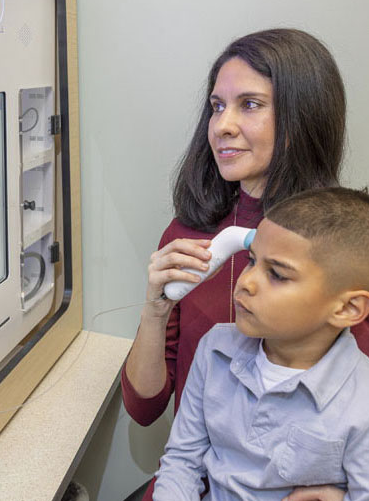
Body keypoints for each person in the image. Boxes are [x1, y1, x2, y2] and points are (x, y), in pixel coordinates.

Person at [121, 29, 369, 501]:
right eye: (217, 106)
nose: (222, 126)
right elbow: (144, 408)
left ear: (301, 118)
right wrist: (155, 312)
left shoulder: (346, 251)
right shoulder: (188, 236)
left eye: (249, 105)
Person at [153, 187, 369, 499]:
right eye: (252, 261)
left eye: (278, 275)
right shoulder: (215, 349)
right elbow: (182, 462)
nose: (246, 281)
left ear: (347, 309)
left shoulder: (361, 402)